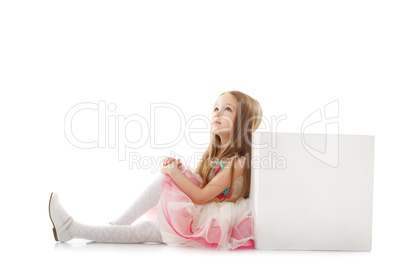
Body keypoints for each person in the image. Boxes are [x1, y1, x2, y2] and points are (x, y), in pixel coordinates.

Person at [48, 90, 263, 251]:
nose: (217, 113)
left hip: (210, 222)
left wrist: (174, 173)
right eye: (215, 108)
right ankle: (76, 229)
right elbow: (199, 184)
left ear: (243, 121)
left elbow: (200, 197)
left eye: (228, 109)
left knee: (148, 224)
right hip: (198, 218)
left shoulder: (238, 162)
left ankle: (105, 225)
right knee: (146, 229)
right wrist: (178, 170)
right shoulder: (212, 155)